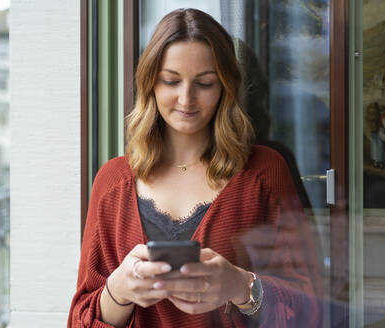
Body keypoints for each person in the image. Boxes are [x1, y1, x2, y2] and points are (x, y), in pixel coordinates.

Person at [68, 8, 321, 328]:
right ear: (150, 84)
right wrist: (118, 291)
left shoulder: (265, 173)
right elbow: (80, 321)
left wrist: (242, 287)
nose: (186, 99)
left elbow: (311, 309)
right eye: (171, 81)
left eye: (204, 83)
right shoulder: (113, 181)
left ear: (225, 88)